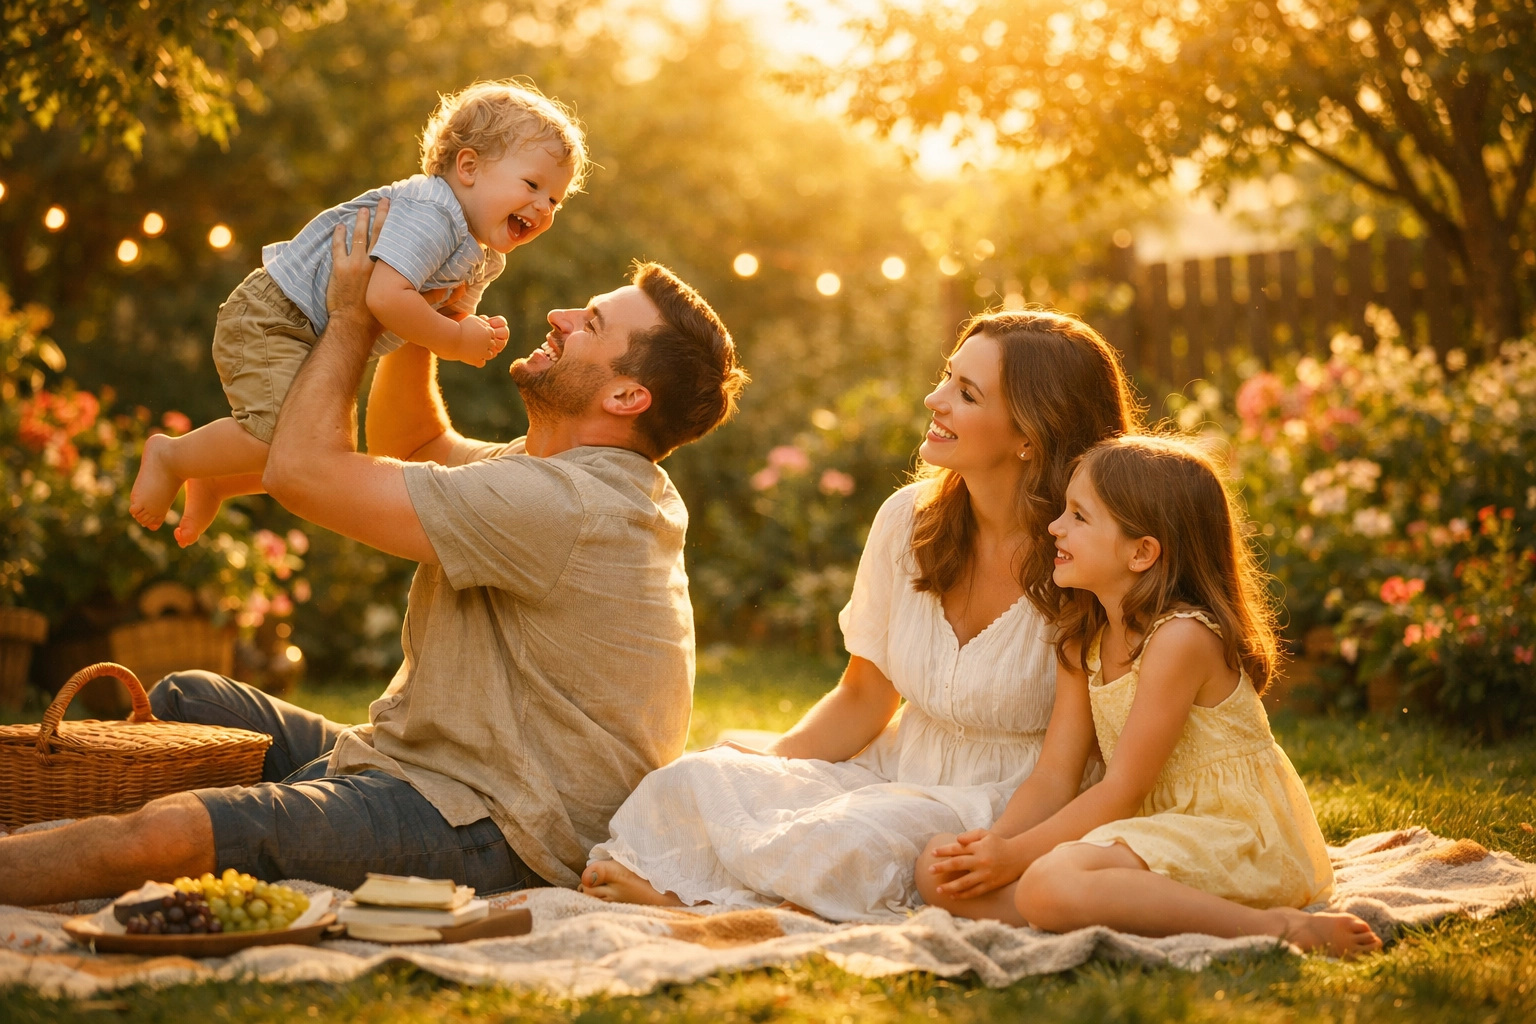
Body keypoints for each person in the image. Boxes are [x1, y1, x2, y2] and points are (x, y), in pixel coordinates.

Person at [0, 200, 748, 905]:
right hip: (434, 766)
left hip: (500, 825)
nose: (556, 317)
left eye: (588, 324)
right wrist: (429, 317)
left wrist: (356, 319)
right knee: (190, 700)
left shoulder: (568, 506)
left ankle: (95, 849)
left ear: (625, 398)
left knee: (178, 826)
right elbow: (415, 445)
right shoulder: (571, 479)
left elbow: (303, 474)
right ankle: (86, 841)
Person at [581, 310, 1138, 921]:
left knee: (850, 837)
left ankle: (715, 906)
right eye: (947, 377)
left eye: (966, 393)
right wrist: (770, 766)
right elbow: (865, 697)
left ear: (1029, 433)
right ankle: (759, 898)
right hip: (897, 767)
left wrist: (1003, 848)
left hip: (1009, 800)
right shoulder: (908, 520)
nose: (935, 398)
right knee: (694, 778)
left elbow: (1068, 768)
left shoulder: (1084, 555)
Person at [916, 436, 1382, 958]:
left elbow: (1122, 790)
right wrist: (995, 849)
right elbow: (1054, 776)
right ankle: (1094, 902)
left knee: (1049, 882)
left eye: (1078, 516)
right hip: (1153, 833)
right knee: (939, 869)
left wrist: (1018, 858)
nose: (1055, 527)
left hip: (1236, 839)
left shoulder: (1180, 639)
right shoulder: (1083, 638)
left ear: (1141, 552)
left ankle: (1274, 927)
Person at [130, 79, 588, 547]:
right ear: (468, 166)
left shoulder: (486, 254)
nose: (543, 207)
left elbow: (435, 320)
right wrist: (455, 342)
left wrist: (470, 332)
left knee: (321, 447)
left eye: (554, 199)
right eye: (532, 185)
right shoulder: (434, 215)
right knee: (286, 437)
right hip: (277, 312)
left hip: (309, 328)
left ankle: (216, 476)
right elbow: (387, 299)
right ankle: (173, 456)